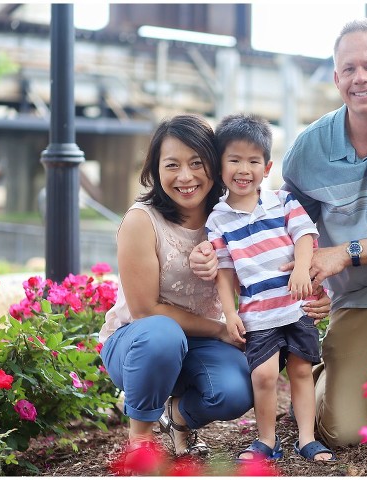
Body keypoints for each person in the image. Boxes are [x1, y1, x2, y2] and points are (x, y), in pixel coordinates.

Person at [190, 17, 367, 448]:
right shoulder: (310, 148)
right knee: (343, 433)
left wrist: (344, 253)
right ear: (337, 79)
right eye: (349, 69)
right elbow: (281, 225)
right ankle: (335, 374)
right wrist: (303, 278)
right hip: (360, 294)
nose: (361, 78)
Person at [98, 114, 332, 473]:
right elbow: (146, 311)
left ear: (213, 166)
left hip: (200, 343)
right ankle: (140, 440)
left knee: (238, 389)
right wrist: (223, 329)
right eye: (172, 165)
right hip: (139, 342)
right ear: (155, 170)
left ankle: (177, 416)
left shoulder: (227, 217)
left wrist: (311, 290)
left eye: (197, 164)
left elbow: (261, 269)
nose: (186, 176)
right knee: (161, 334)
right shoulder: (141, 221)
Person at [205, 114, 336, 462]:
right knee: (262, 375)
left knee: (301, 369)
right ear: (220, 167)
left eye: (253, 161)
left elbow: (306, 236)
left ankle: (307, 438)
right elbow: (223, 270)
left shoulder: (283, 201)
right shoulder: (217, 219)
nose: (243, 169)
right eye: (234, 160)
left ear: (267, 166)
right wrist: (230, 313)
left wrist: (303, 269)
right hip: (258, 312)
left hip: (295, 305)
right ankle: (265, 440)